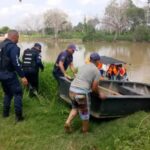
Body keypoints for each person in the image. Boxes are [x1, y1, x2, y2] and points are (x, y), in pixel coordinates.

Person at [64, 52, 105, 134]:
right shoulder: (96, 71)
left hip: (72, 90)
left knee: (75, 108)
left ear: (90, 60)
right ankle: (85, 132)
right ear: (97, 61)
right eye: (99, 61)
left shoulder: (82, 67)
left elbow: (84, 79)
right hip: (81, 93)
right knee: (85, 113)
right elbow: (94, 88)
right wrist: (100, 94)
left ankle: (68, 122)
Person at [0, 30, 28, 121]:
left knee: (8, 93)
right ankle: (19, 117)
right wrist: (22, 76)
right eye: (18, 38)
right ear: (14, 37)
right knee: (18, 93)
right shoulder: (13, 47)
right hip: (9, 74)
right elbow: (15, 63)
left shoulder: (1, 45)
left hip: (1, 74)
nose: (18, 40)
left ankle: (5, 114)